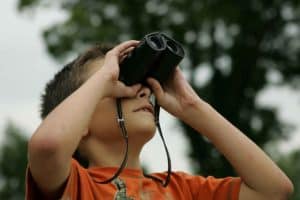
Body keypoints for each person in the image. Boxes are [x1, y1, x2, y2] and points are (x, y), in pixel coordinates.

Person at [26, 40, 293, 200]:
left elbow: (273, 190)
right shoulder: (75, 186)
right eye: (121, 83)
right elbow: (48, 145)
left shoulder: (182, 190)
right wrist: (106, 76)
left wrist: (193, 106)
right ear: (80, 123)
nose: (142, 91)